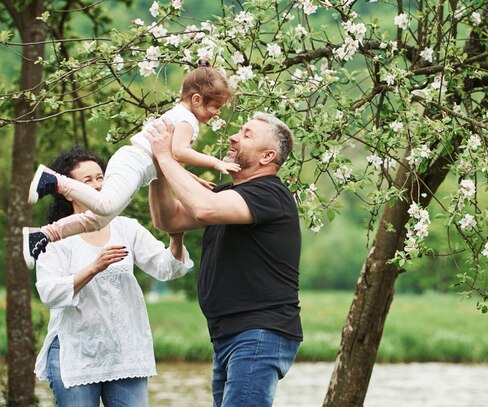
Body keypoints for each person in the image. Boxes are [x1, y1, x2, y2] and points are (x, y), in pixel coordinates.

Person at [146, 112, 302, 407]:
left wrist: (168, 158)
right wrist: (158, 169)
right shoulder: (229, 194)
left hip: (258, 332)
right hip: (228, 335)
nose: (233, 136)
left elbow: (206, 209)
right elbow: (168, 219)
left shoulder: (271, 194)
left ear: (267, 156)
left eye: (246, 134)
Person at [22, 65, 239, 269]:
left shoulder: (182, 115)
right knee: (105, 206)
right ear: (197, 99)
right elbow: (180, 152)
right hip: (133, 163)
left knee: (98, 220)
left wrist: (193, 179)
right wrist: (214, 161)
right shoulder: (188, 121)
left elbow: (170, 160)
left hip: (136, 167)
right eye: (216, 106)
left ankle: (43, 235)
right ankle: (54, 181)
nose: (217, 113)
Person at [33, 146, 194, 407]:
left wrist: (176, 235)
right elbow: (49, 293)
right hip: (76, 354)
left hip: (126, 355)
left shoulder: (126, 227)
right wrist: (93, 268)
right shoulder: (53, 237)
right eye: (88, 181)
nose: (98, 185)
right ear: (68, 190)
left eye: (101, 178)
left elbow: (167, 268)